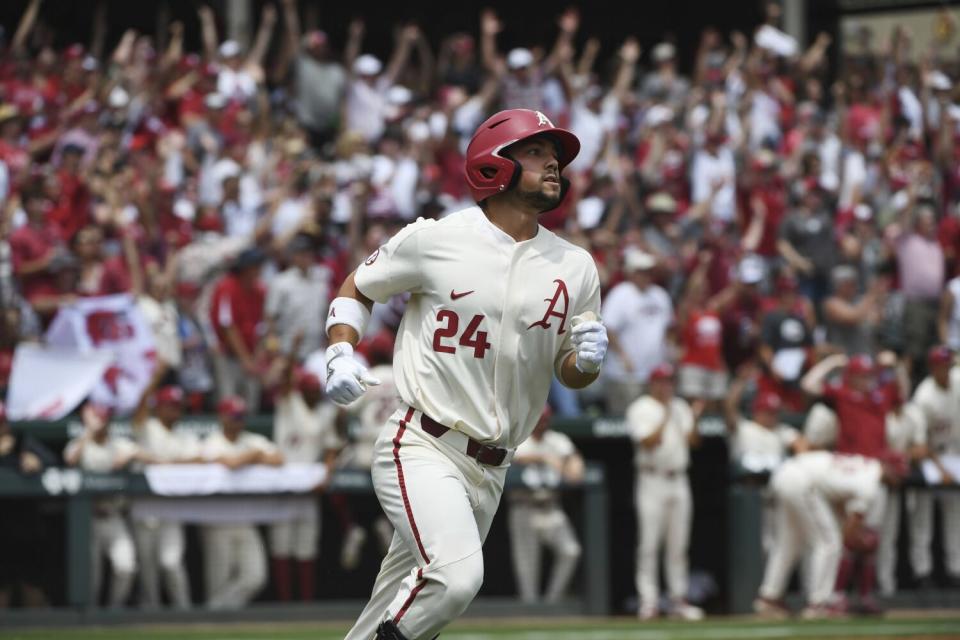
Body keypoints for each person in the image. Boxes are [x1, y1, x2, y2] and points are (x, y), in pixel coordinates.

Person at [327, 108, 607, 640]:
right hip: (424, 443)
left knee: (400, 611)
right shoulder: (437, 238)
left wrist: (586, 363)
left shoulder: (576, 267)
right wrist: (340, 351)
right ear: (493, 165)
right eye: (535, 152)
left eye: (556, 156)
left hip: (495, 467)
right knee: (456, 581)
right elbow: (358, 288)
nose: (553, 163)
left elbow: (570, 374)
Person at [754, 451, 904, 619]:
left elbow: (837, 499)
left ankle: (769, 597)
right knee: (830, 543)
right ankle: (819, 603)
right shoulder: (870, 484)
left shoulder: (865, 464)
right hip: (803, 481)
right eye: (897, 473)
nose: (898, 479)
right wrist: (862, 541)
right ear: (887, 467)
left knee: (789, 542)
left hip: (786, 473)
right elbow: (849, 533)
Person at [626, 362, 704, 621]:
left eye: (670, 381)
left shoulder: (680, 406)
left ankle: (677, 599)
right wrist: (668, 414)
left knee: (678, 544)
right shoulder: (641, 408)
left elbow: (694, 442)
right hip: (652, 479)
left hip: (679, 479)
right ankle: (648, 601)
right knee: (649, 544)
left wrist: (694, 417)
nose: (667, 386)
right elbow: (649, 442)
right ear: (652, 383)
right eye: (662, 381)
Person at [269, 349, 342, 602]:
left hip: (309, 487)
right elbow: (286, 381)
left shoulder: (324, 413)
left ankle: (306, 604)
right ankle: (284, 604)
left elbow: (332, 447)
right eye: (308, 389)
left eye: (315, 390)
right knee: (281, 546)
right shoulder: (290, 402)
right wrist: (293, 350)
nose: (312, 393)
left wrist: (327, 473)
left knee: (306, 548)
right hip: (283, 485)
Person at [200, 396, 284, 610]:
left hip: (246, 520)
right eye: (234, 416)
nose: (238, 420)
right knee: (218, 581)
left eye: (241, 416)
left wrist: (253, 455)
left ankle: (216, 612)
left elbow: (279, 459)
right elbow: (231, 463)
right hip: (217, 521)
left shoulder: (251, 439)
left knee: (255, 577)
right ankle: (215, 617)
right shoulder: (212, 441)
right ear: (223, 417)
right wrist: (255, 455)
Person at [63, 403, 144, 608]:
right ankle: (87, 617)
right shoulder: (80, 443)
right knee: (91, 575)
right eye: (97, 418)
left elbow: (150, 456)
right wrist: (88, 431)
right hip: (86, 517)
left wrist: (133, 455)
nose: (102, 422)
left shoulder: (119, 444)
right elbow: (70, 460)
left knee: (126, 566)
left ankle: (114, 611)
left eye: (104, 418)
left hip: (114, 515)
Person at [131, 385, 201, 609]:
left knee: (171, 563)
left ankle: (184, 612)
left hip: (172, 508)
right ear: (158, 407)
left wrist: (162, 463)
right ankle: (150, 615)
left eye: (178, 406)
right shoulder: (148, 428)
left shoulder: (185, 435)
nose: (175, 410)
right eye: (170, 405)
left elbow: (198, 461)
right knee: (148, 570)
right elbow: (139, 412)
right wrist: (153, 379)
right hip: (145, 507)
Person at [507, 406, 583, 603]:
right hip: (523, 507)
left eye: (545, 420)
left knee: (570, 551)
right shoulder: (519, 438)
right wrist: (545, 458)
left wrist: (573, 464)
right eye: (538, 419)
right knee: (527, 565)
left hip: (550, 507)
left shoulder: (556, 440)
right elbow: (514, 456)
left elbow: (574, 459)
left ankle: (552, 602)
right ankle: (530, 608)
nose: (542, 423)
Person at [909, 345, 960, 588]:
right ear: (932, 368)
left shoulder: (958, 381)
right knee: (923, 517)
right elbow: (919, 446)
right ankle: (922, 573)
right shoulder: (924, 396)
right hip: (931, 458)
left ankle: (955, 570)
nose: (947, 371)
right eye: (942, 366)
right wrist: (941, 470)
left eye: (949, 366)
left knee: (956, 516)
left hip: (954, 454)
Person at [602, 248, 673, 414]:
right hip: (625, 374)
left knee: (652, 418)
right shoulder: (620, 294)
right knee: (625, 420)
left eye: (649, 272)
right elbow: (608, 328)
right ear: (631, 273)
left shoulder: (660, 295)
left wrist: (668, 351)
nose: (646, 276)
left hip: (654, 374)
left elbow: (669, 328)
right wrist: (623, 356)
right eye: (642, 272)